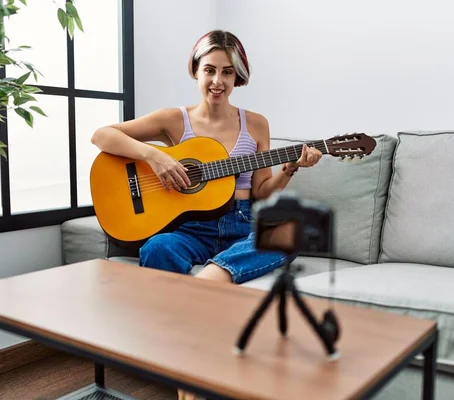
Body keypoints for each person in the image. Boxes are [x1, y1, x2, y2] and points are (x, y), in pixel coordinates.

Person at [91, 29, 322, 400]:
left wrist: (290, 168)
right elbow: (102, 136)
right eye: (210, 70)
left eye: (228, 72)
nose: (218, 81)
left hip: (241, 222)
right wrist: (156, 155)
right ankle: (193, 375)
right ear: (196, 71)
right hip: (191, 227)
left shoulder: (257, 124)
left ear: (238, 77)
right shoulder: (174, 120)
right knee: (157, 248)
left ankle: (207, 284)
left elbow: (262, 192)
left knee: (290, 230)